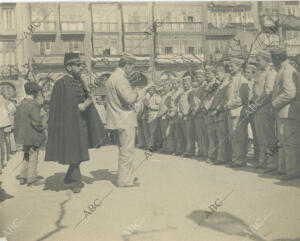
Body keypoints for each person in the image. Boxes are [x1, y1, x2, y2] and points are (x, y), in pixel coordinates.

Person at [45, 53, 107, 193]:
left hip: (81, 123)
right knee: (75, 151)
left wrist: (88, 100)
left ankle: (69, 177)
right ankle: (75, 181)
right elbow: (58, 108)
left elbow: (84, 98)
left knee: (79, 150)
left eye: (81, 65)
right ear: (68, 67)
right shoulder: (61, 84)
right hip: (68, 125)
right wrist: (78, 107)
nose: (81, 67)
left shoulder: (79, 81)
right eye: (77, 65)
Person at [106, 53, 146, 187]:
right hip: (125, 119)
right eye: (132, 67)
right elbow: (129, 99)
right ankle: (124, 180)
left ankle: (128, 175)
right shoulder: (121, 79)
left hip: (117, 119)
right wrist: (140, 92)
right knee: (127, 151)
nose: (132, 70)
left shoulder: (111, 78)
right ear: (127, 65)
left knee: (124, 149)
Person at [272, 49, 300, 180]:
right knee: (283, 141)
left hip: (288, 112)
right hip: (283, 111)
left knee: (289, 142)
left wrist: (274, 104)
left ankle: (292, 171)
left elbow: (289, 93)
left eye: (273, 58)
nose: (272, 61)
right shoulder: (283, 70)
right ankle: (284, 168)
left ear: (277, 58)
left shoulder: (287, 71)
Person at [15, 82, 45, 186]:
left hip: (23, 136)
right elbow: (36, 122)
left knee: (26, 155)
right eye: (37, 92)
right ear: (34, 93)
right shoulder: (33, 105)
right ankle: (32, 179)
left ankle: (23, 177)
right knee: (33, 156)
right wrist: (43, 127)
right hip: (33, 135)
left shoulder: (21, 104)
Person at [252, 50, 277, 171]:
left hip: (265, 109)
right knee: (261, 138)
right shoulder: (260, 73)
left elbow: (268, 92)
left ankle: (272, 163)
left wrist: (256, 104)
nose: (257, 62)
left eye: (258, 60)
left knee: (269, 137)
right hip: (258, 109)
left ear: (266, 60)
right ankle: (263, 162)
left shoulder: (270, 73)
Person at [224, 57, 249, 168]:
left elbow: (241, 99)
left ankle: (240, 159)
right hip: (231, 112)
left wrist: (229, 105)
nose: (229, 68)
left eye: (232, 66)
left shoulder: (242, 79)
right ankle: (235, 158)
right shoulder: (232, 79)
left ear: (239, 67)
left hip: (237, 112)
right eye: (229, 66)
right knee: (233, 136)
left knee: (239, 136)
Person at [211, 64, 232, 165]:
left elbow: (225, 99)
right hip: (218, 113)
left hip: (222, 113)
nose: (216, 76)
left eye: (217, 74)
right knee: (221, 136)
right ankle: (223, 157)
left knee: (222, 136)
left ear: (224, 73)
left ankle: (222, 158)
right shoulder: (221, 84)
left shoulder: (227, 83)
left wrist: (217, 109)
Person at [244, 64, 259, 164]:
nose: (246, 74)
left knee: (256, 133)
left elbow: (256, 97)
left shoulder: (256, 83)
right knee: (244, 133)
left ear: (253, 73)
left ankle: (257, 156)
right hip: (245, 110)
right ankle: (245, 153)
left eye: (248, 72)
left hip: (253, 110)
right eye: (245, 72)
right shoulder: (244, 83)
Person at [177, 75, 195, 157]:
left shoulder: (192, 92)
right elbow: (179, 104)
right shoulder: (182, 93)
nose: (185, 85)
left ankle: (190, 151)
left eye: (187, 83)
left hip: (188, 116)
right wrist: (179, 112)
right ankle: (185, 150)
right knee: (184, 134)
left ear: (190, 84)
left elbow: (192, 105)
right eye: (184, 83)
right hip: (181, 116)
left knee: (189, 135)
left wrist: (186, 114)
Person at [167, 78, 183, 155]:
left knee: (178, 133)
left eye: (175, 84)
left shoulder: (181, 92)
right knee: (171, 133)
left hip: (177, 115)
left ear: (179, 84)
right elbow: (170, 104)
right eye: (172, 84)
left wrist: (175, 112)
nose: (173, 85)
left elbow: (180, 104)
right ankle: (173, 149)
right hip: (171, 115)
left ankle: (179, 150)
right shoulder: (173, 92)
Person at [157, 81, 172, 154]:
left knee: (167, 133)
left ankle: (169, 148)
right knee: (163, 133)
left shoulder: (170, 95)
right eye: (164, 87)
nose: (164, 89)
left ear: (169, 87)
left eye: (166, 87)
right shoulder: (164, 96)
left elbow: (167, 107)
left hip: (166, 116)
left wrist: (161, 114)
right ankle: (165, 147)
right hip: (161, 116)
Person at [147, 85, 161, 152]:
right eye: (149, 90)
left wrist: (151, 107)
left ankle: (151, 146)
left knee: (153, 132)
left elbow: (159, 106)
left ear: (154, 90)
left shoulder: (157, 96)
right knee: (151, 132)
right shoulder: (150, 97)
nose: (150, 91)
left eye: (151, 90)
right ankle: (152, 145)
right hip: (150, 116)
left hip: (154, 116)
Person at [0, 92, 11, 174]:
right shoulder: (5, 101)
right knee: (3, 142)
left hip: (2, 124)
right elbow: (13, 109)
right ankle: (5, 160)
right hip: (4, 123)